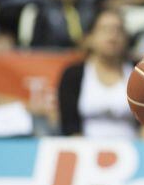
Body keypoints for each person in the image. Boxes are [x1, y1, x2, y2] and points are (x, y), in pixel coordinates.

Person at [57, 8, 138, 138]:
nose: (112, 36)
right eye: (105, 29)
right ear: (89, 38)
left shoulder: (140, 72)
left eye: (118, 30)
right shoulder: (73, 74)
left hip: (135, 150)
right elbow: (69, 126)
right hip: (85, 151)